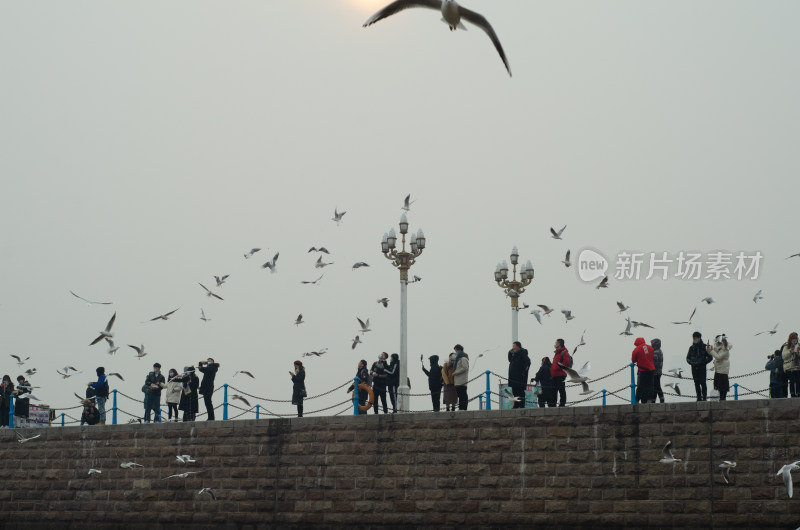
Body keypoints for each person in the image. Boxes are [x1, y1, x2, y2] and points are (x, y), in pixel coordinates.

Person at [686, 332, 712, 401]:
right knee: (696, 383)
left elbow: (710, 357)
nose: (694, 339)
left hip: (702, 368)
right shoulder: (691, 348)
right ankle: (699, 397)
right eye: (693, 338)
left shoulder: (705, 347)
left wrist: (703, 363)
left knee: (703, 383)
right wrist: (691, 363)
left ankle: (704, 398)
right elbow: (688, 358)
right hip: (694, 368)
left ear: (699, 338)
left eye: (695, 338)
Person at [508, 341, 531, 409]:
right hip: (513, 377)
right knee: (514, 391)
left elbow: (528, 363)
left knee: (520, 391)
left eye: (514, 346)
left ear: (518, 347)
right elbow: (510, 360)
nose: (513, 348)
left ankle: (521, 404)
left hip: (520, 377)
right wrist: (510, 353)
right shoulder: (515, 354)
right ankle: (516, 404)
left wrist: (523, 373)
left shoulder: (522, 353)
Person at [632, 337, 655, 403]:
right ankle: (649, 400)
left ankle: (637, 400)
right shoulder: (650, 348)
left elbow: (633, 360)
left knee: (640, 386)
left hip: (642, 370)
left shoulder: (636, 349)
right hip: (651, 370)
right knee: (650, 386)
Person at [710, 334, 732, 401]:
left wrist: (711, 351)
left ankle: (723, 399)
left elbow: (718, 357)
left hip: (723, 369)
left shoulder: (725, 349)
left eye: (718, 341)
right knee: (718, 385)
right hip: (718, 368)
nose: (717, 343)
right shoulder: (719, 348)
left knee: (723, 385)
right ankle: (721, 398)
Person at [550, 339, 571, 407]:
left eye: (556, 342)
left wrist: (557, 368)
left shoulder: (564, 352)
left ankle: (562, 403)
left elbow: (566, 362)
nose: (555, 344)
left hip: (561, 374)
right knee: (553, 391)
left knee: (561, 390)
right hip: (554, 374)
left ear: (559, 344)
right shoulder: (556, 353)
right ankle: (553, 404)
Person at [781, 332, 800, 397]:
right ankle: (792, 393)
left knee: (798, 380)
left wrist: (798, 352)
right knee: (792, 381)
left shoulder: (799, 346)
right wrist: (790, 351)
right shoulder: (786, 347)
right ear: (790, 340)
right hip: (789, 367)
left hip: (797, 366)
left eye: (795, 340)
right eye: (793, 340)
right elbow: (784, 356)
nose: (794, 341)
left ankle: (798, 392)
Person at [452, 345, 470, 410]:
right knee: (460, 395)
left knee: (463, 395)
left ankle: (463, 408)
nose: (455, 352)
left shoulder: (463, 358)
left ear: (459, 350)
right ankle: (461, 408)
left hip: (462, 380)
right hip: (458, 380)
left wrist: (456, 372)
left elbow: (465, 368)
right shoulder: (458, 358)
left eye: (456, 350)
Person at [651, 339, 665, 403]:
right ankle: (655, 398)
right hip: (658, 371)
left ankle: (659, 398)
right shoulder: (659, 351)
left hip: (655, 371)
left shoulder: (656, 352)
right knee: (656, 385)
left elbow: (654, 362)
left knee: (656, 385)